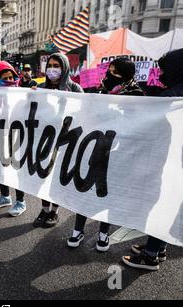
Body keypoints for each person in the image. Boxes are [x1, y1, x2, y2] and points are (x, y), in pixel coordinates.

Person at [122, 46, 183, 271]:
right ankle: (156, 247)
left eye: (165, 70)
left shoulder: (176, 95)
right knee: (168, 206)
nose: (160, 75)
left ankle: (150, 255)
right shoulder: (180, 90)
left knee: (163, 206)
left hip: (172, 164)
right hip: (179, 163)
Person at [67, 57, 144, 252]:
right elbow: (87, 113)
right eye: (109, 70)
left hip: (119, 154)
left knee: (106, 192)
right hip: (95, 148)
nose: (110, 75)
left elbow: (138, 125)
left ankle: (103, 233)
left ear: (126, 75)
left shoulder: (137, 94)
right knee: (84, 189)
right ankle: (78, 230)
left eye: (115, 72)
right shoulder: (101, 89)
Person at [33, 53, 84, 229]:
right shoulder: (40, 87)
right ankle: (44, 209)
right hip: (43, 140)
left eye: (57, 66)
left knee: (56, 178)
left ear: (64, 68)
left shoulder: (75, 88)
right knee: (42, 176)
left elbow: (84, 111)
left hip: (64, 141)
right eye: (50, 66)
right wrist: (30, 96)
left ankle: (53, 211)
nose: (52, 69)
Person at [0, 61, 27, 217]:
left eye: (11, 77)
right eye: (5, 78)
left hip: (17, 138)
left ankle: (21, 201)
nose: (10, 81)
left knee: (17, 171)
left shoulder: (23, 93)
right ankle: (5, 196)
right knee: (1, 168)